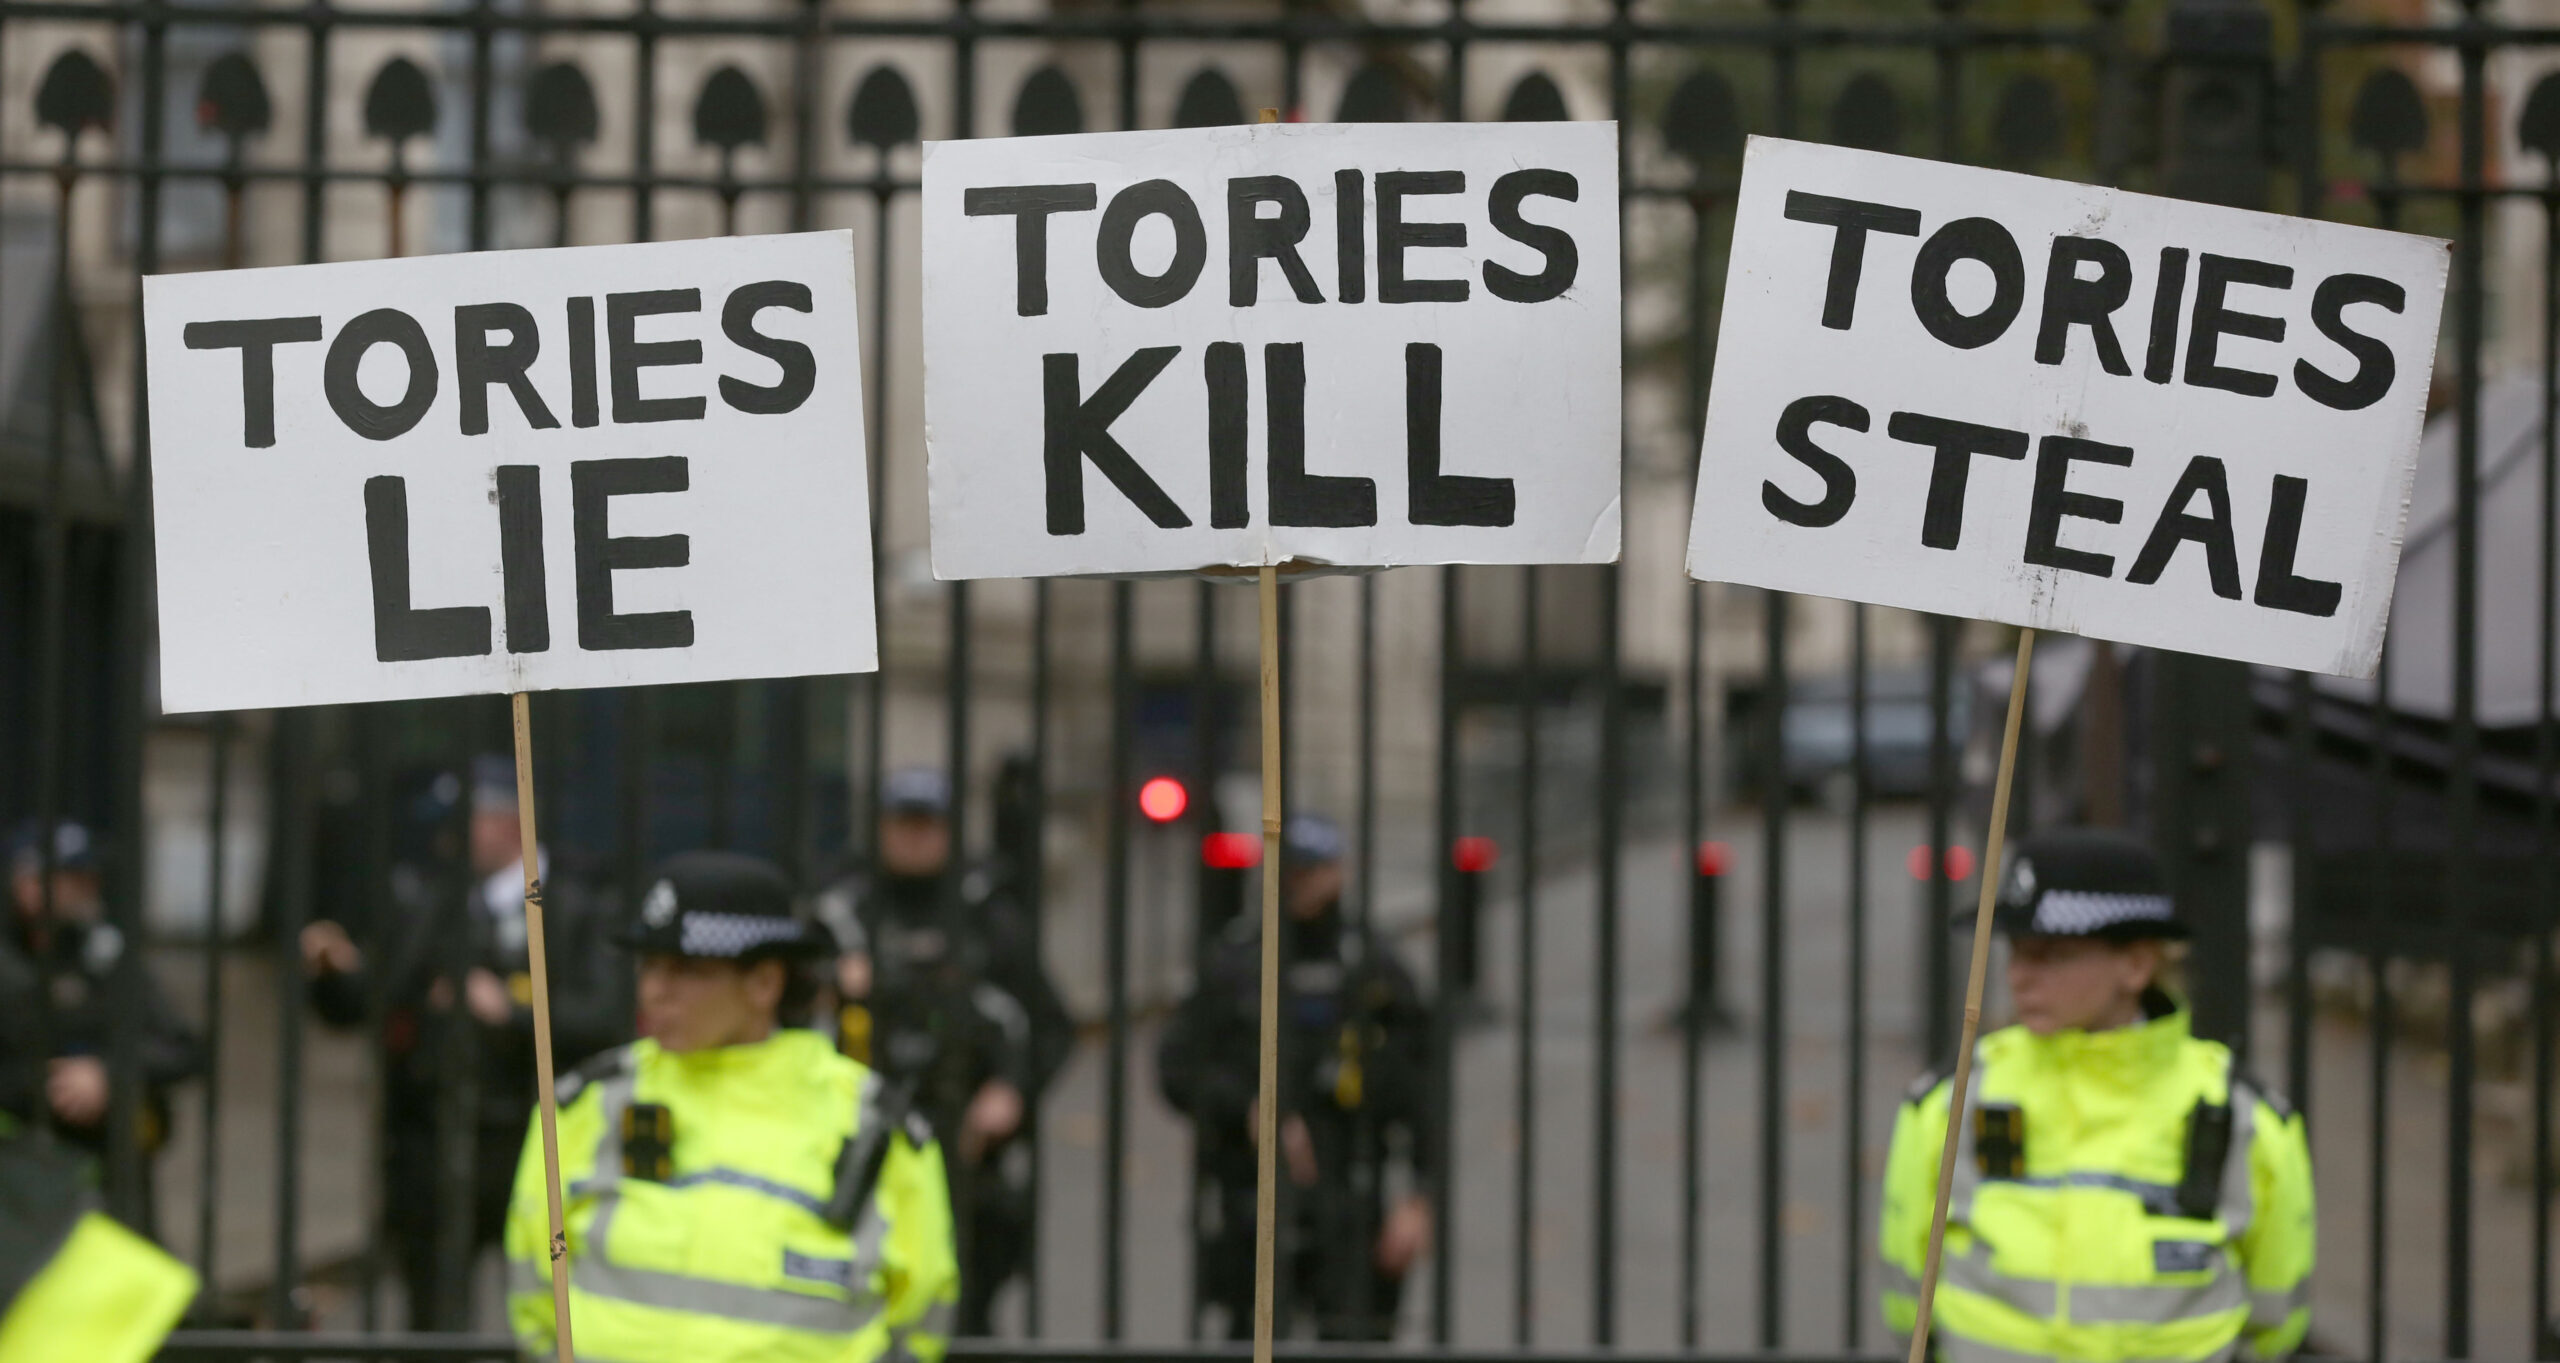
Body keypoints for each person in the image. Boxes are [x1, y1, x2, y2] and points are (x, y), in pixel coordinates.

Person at [1880, 829, 2315, 1363]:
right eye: (2016, 949)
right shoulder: (1951, 1100)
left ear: (2136, 965)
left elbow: (2277, 1320)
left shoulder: (2243, 1116)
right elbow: (1908, 1303)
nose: (2019, 976)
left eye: (2052, 954)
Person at [504, 850, 956, 1363]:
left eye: (686, 969)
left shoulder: (875, 1124)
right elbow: (534, 1292)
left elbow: (920, 1318)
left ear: (764, 983)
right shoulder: (585, 1105)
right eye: (648, 964)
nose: (654, 990)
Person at [300, 756, 627, 1328]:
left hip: (538, 1138)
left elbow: (606, 1017)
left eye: (465, 819)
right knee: (434, 1316)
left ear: (509, 824)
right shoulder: (431, 898)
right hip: (434, 1140)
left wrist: (511, 1009)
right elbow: (374, 1002)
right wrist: (335, 973)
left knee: (554, 1309)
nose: (448, 835)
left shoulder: (579, 904)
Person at [1157, 813, 1435, 1341]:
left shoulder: (1374, 967)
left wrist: (1420, 1196)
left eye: (1313, 869)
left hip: (1352, 1196)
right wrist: (1247, 1109)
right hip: (1253, 1200)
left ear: (1340, 871)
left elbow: (1422, 1090)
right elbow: (1176, 1066)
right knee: (1257, 1338)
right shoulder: (1235, 960)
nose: (1301, 883)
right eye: (1291, 870)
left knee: (1353, 1339)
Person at [813, 767, 1070, 1335]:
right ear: (880, 828)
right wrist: (831, 983)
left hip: (966, 1144)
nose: (915, 837)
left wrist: (1011, 1092)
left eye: (928, 824)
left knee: (964, 1309)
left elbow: (1051, 1025)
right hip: (854, 1139)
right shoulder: (840, 911)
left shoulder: (987, 913)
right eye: (904, 823)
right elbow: (786, 1013)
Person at [5, 821, 203, 1217]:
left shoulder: (103, 956)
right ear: (26, 884)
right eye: (73, 877)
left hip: (104, 1168)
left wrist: (105, 1072)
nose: (90, 886)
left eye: (90, 875)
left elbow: (184, 1047)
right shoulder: (9, 962)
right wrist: (47, 1086)